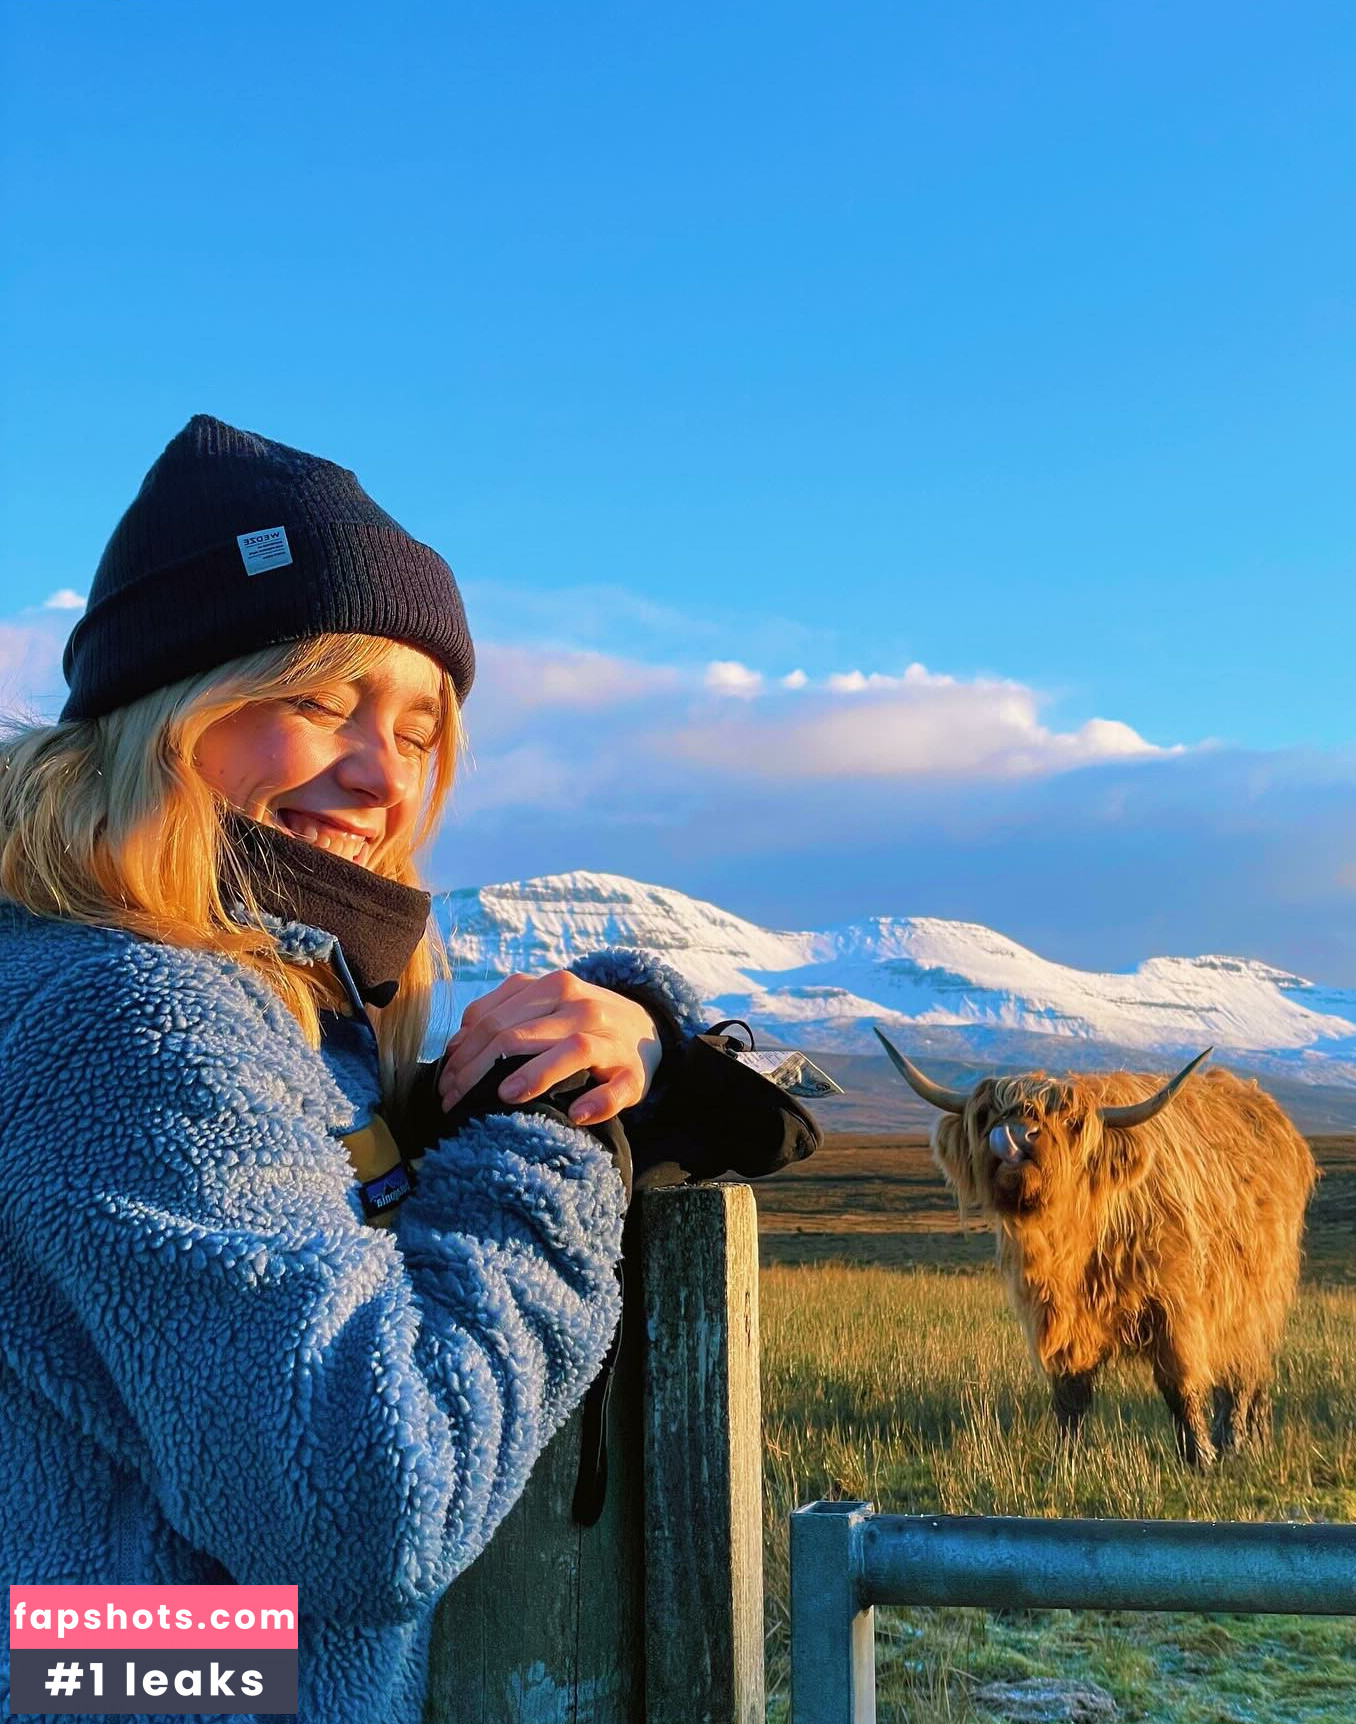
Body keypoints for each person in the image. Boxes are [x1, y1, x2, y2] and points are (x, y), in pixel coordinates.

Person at [0, 416, 817, 1724]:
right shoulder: (139, 1016)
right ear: (168, 705)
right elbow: (373, 1506)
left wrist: (602, 1045)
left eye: (420, 728)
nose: (382, 773)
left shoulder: (244, 997)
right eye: (322, 700)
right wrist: (549, 1143)